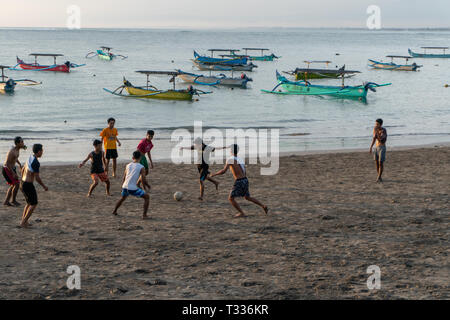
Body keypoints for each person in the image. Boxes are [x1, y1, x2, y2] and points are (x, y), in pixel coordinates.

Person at [211, 144, 268, 218]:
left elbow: (223, 171)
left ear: (231, 150)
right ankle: (263, 206)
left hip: (240, 181)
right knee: (247, 197)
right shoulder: (240, 159)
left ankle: (241, 213)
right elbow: (244, 171)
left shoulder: (230, 159)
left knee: (231, 198)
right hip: (245, 180)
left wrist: (214, 174)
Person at [112, 151, 151, 219]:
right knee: (147, 197)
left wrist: (123, 186)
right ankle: (144, 215)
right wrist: (147, 185)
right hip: (132, 188)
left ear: (132, 157)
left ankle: (114, 211)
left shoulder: (128, 165)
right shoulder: (141, 167)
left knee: (122, 198)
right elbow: (143, 179)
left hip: (125, 186)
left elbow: (124, 177)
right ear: (140, 158)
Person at [20, 144, 48, 228]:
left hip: (22, 182)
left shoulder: (30, 158)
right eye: (42, 150)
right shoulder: (36, 162)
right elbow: (37, 178)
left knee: (28, 203)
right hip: (28, 184)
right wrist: (44, 186)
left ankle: (24, 221)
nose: (42, 152)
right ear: (39, 151)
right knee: (34, 204)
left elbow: (23, 169)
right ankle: (23, 222)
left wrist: (22, 178)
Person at [2, 136, 26, 206]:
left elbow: (15, 158)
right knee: (17, 184)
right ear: (17, 143)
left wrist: (19, 164)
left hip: (12, 168)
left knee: (13, 185)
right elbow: (7, 163)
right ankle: (13, 200)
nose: (23, 143)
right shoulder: (12, 151)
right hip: (7, 169)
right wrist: (13, 173)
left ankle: (6, 202)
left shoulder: (17, 149)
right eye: (22, 142)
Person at [369, 118, 388, 182]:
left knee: (380, 163)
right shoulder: (375, 130)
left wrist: (377, 132)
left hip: (382, 147)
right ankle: (379, 176)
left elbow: (381, 140)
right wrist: (371, 147)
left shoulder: (383, 130)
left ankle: (379, 177)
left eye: (377, 124)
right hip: (376, 147)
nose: (376, 125)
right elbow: (374, 139)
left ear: (381, 124)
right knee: (376, 163)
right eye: (375, 124)